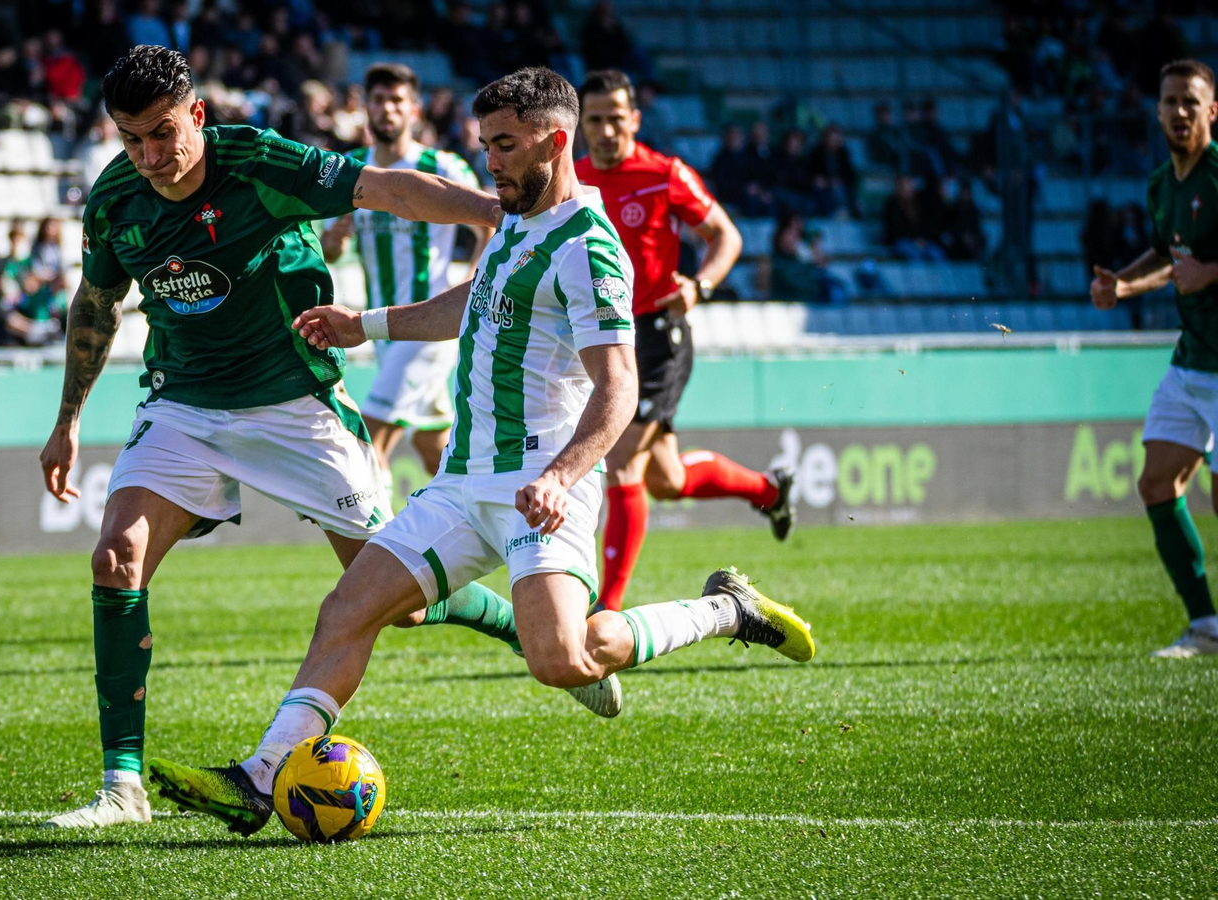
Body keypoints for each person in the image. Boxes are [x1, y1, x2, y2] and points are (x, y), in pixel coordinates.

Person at [143, 68, 816, 837]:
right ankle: (259, 780)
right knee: (348, 610)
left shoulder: (590, 248)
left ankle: (727, 608)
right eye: (483, 144)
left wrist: (564, 476)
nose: (489, 163)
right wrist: (367, 324)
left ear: (554, 142)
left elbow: (619, 390)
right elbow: (475, 299)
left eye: (504, 145)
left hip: (539, 485)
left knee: (565, 659)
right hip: (464, 484)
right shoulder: (513, 221)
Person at [38, 46, 608, 831]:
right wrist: (67, 420)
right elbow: (95, 305)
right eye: (130, 139)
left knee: (393, 606)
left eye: (162, 133)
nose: (149, 156)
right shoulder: (114, 200)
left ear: (197, 115)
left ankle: (524, 626)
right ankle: (121, 786)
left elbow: (386, 190)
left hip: (297, 405)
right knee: (115, 557)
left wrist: (490, 212)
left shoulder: (260, 161)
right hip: (185, 407)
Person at [573, 69, 794, 613]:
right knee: (666, 480)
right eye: (594, 121)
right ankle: (769, 490)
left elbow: (726, 235)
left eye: (615, 120)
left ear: (635, 119)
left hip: (657, 337)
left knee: (622, 459)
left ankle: (607, 610)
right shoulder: (571, 179)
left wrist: (701, 285)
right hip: (601, 340)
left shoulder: (663, 173)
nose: (605, 132)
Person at [1091, 59, 1218, 658]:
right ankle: (1206, 626)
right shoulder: (1160, 186)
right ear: (1157, 111)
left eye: (1191, 102)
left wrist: (1210, 272)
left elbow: (1194, 268)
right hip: (1191, 360)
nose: (1179, 112)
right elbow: (1170, 258)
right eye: (1170, 102)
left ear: (1212, 111)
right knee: (1155, 482)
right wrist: (1122, 284)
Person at [320, 63, 491, 481]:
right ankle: (478, 533)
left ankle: (380, 547)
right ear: (366, 110)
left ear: (415, 110)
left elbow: (490, 223)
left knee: (369, 444)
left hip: (429, 327)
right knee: (435, 451)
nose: (387, 109)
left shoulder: (443, 166)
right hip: (380, 328)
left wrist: (474, 282)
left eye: (397, 100)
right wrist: (337, 237)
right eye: (378, 100)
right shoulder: (351, 171)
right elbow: (326, 247)